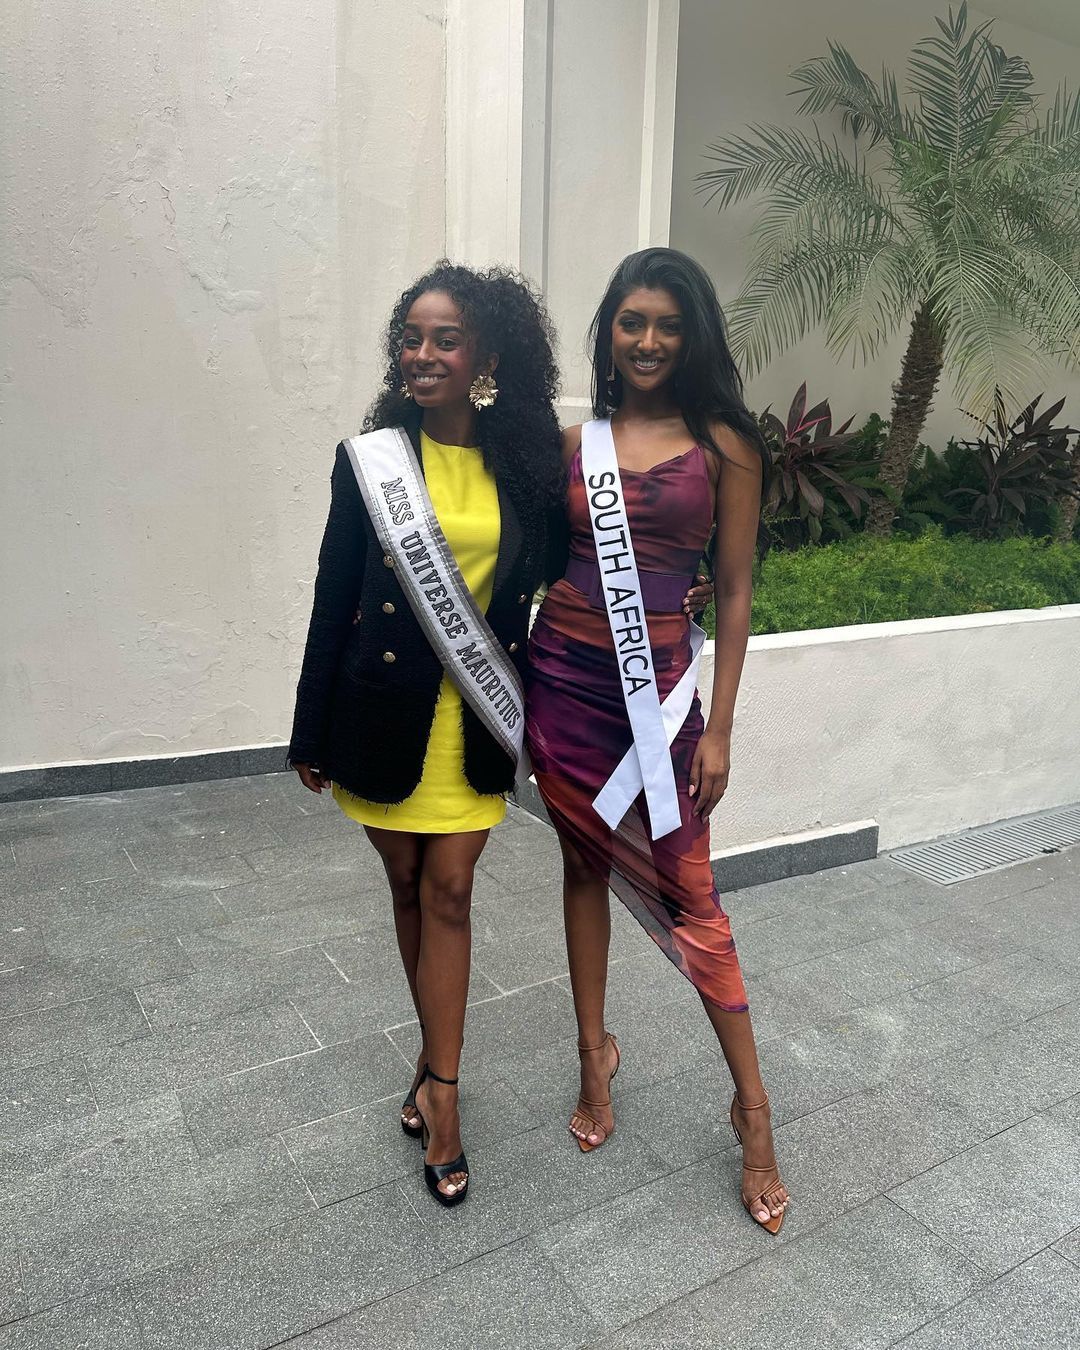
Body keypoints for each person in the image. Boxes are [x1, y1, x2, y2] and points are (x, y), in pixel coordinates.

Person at [287, 262, 565, 1207]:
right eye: (410, 337)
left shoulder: (525, 465)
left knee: (449, 890)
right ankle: (430, 1051)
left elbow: (568, 575)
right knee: (406, 887)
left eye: (446, 339)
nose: (423, 354)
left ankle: (443, 1092)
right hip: (380, 711)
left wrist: (679, 590)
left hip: (476, 720)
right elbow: (332, 595)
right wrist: (308, 728)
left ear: (487, 354)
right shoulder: (369, 461)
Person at [525, 247, 790, 1232]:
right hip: (564, 688)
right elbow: (534, 558)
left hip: (664, 705)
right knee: (581, 869)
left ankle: (752, 1109)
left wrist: (721, 727)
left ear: (693, 337)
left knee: (694, 898)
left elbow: (736, 590)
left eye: (668, 325)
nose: (647, 341)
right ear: (609, 334)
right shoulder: (573, 444)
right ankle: (593, 1056)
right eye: (631, 323)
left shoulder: (726, 445)